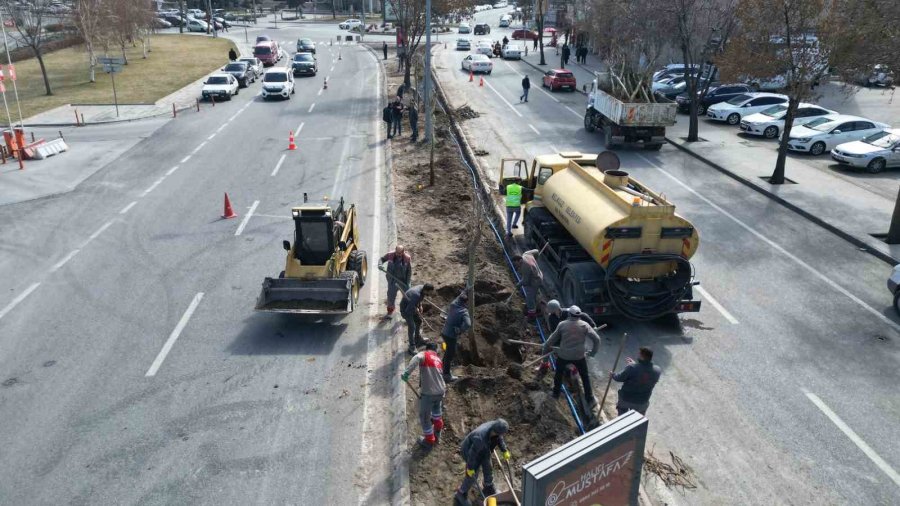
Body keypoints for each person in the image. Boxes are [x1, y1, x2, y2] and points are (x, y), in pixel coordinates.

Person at [543, 306, 601, 403]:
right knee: (585, 376)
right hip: (579, 356)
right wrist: (592, 353)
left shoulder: (562, 325)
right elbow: (597, 339)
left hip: (564, 355)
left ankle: (555, 394)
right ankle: (590, 399)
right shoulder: (585, 325)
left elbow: (551, 340)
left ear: (569, 314)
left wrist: (546, 347)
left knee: (559, 374)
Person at [454, 419, 511, 505]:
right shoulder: (480, 438)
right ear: (496, 431)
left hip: (484, 449)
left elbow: (499, 438)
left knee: (488, 466)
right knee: (473, 476)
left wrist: (504, 450)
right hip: (469, 451)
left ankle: (488, 486)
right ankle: (461, 493)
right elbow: (472, 455)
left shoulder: (495, 427)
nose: (502, 435)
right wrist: (470, 468)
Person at [402, 342, 446, 448]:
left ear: (427, 349)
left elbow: (416, 357)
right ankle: (438, 431)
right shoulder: (439, 360)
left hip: (429, 393)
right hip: (441, 391)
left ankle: (429, 440)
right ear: (435, 350)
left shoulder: (425, 354)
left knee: (425, 417)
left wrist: (406, 373)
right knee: (436, 412)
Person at [609, 346, 662, 416]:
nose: (638, 355)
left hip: (626, 399)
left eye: (639, 354)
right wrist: (635, 365)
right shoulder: (657, 370)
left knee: (622, 419)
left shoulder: (632, 368)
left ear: (642, 356)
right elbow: (643, 372)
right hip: (642, 402)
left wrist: (613, 375)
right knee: (636, 421)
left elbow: (619, 378)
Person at [440, 291, 471, 382]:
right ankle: (446, 375)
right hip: (451, 335)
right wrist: (460, 330)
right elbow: (468, 324)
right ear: (466, 302)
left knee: (447, 352)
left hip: (444, 332)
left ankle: (442, 367)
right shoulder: (464, 311)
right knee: (450, 354)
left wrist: (466, 289)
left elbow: (459, 297)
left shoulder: (453, 304)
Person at [400, 283, 434, 355]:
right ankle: (412, 347)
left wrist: (420, 305)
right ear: (426, 290)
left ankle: (417, 338)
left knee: (419, 321)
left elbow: (419, 299)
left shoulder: (422, 287)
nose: (430, 294)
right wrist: (416, 310)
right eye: (430, 292)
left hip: (412, 305)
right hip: (405, 310)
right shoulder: (416, 295)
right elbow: (408, 310)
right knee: (412, 327)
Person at [380, 245, 412, 315]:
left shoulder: (407, 258)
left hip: (403, 281)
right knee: (390, 296)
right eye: (397, 252)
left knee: (408, 296)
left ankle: (408, 312)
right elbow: (382, 259)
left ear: (403, 252)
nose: (398, 254)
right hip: (392, 281)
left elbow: (409, 271)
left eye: (400, 253)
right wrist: (380, 264)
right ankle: (390, 311)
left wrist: (408, 282)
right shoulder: (390, 255)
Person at [513, 249, 542, 319]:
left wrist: (518, 285)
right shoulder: (526, 254)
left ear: (519, 260)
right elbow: (537, 251)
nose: (516, 265)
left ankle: (532, 314)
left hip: (535, 280)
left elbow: (525, 281)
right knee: (534, 294)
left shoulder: (525, 266)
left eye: (515, 263)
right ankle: (537, 307)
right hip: (539, 275)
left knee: (529, 296)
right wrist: (536, 260)